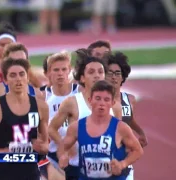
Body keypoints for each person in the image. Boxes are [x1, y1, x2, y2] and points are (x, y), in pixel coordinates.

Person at [48, 49, 122, 180]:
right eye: (91, 72)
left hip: (105, 169)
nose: (96, 75)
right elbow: (52, 128)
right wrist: (63, 148)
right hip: (77, 168)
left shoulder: (115, 105)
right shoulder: (72, 103)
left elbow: (118, 136)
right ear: (82, 78)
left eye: (100, 72)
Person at [0, 58, 49, 180]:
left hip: (30, 172)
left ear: (27, 78)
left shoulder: (41, 106)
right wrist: (0, 152)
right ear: (5, 80)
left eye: (21, 74)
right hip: (2, 173)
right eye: (13, 75)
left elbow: (45, 143)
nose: (18, 79)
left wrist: (41, 147)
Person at [58, 80, 144, 179]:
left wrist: (122, 164)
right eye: (98, 98)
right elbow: (63, 146)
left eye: (106, 99)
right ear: (90, 100)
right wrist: (62, 156)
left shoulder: (121, 128)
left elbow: (138, 150)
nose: (101, 103)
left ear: (112, 103)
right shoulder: (76, 127)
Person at [106, 52, 148, 180]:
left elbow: (128, 119)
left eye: (117, 73)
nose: (114, 77)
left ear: (123, 76)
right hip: (103, 157)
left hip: (124, 159)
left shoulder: (130, 99)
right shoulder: (98, 100)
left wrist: (141, 133)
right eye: (110, 73)